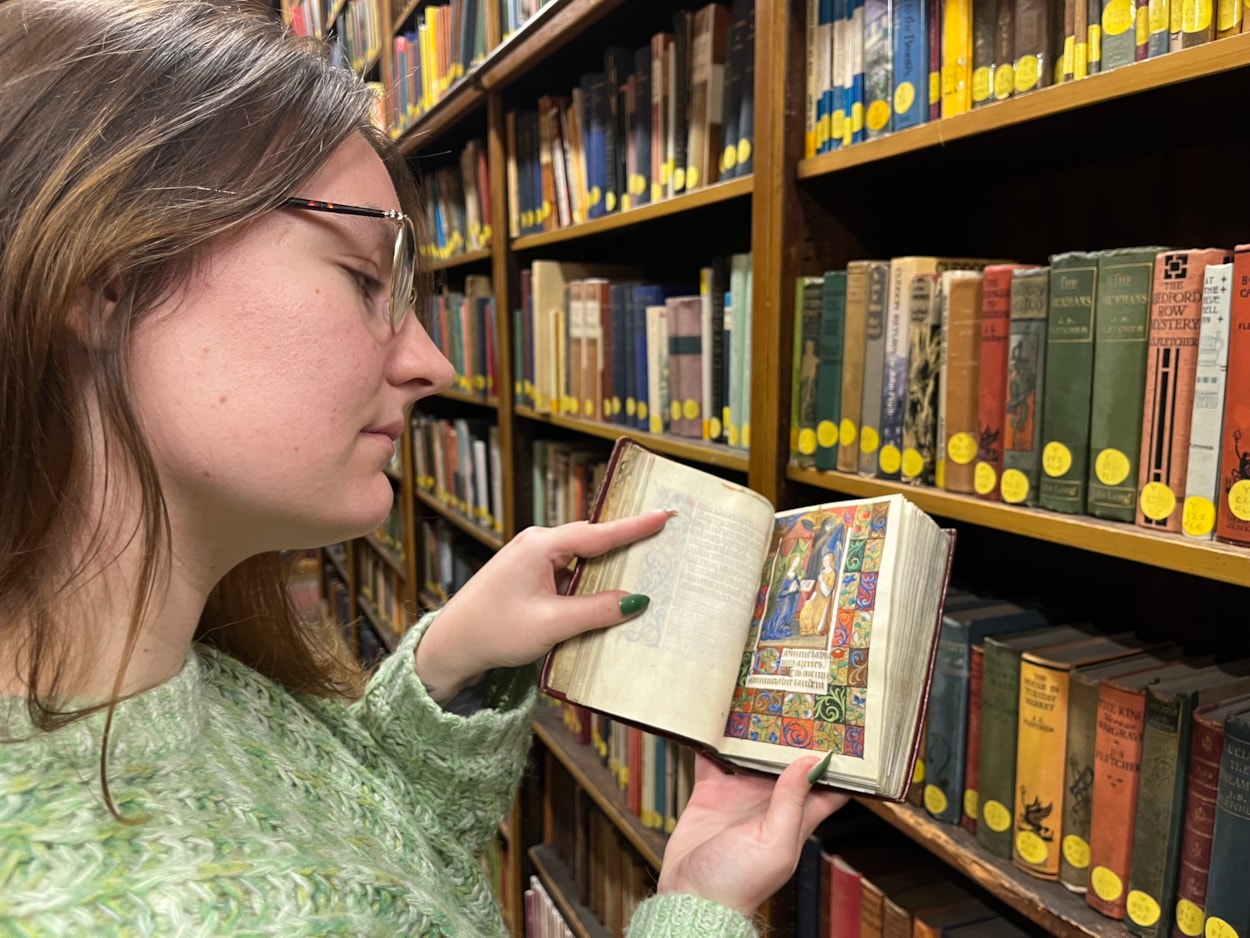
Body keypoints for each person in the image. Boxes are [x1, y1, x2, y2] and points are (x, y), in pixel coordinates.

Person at [0, 1, 847, 934]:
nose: (432, 365)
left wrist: (451, 665)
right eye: (366, 280)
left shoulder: (157, 678)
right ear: (108, 275)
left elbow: (351, 844)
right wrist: (693, 911)